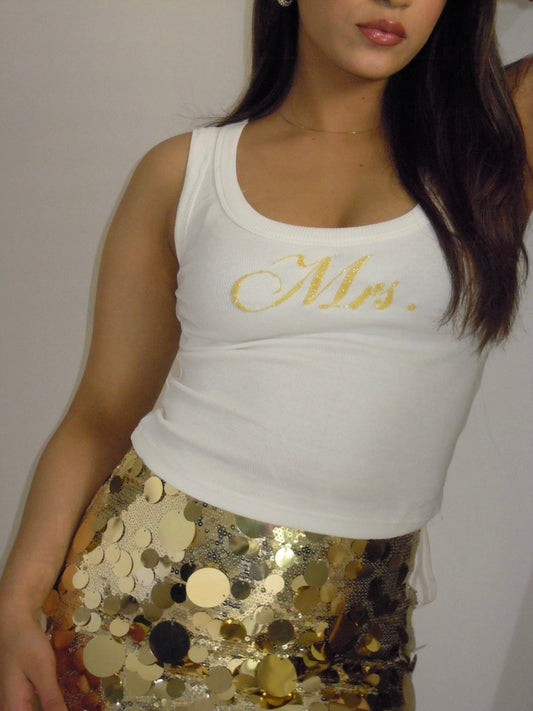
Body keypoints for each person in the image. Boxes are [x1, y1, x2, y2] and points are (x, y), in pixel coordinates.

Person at [0, 1, 531, 710]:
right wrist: (14, 605)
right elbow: (98, 417)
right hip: (134, 613)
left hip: (357, 638)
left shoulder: (493, 148)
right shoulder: (184, 173)